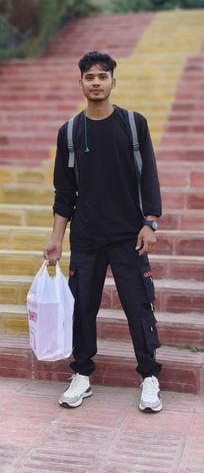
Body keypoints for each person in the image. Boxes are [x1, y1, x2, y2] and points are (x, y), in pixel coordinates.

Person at [43, 51, 162, 413]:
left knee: (139, 307)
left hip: (129, 235)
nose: (96, 82)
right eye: (89, 76)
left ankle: (149, 376)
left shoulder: (132, 124)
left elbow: (149, 176)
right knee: (82, 309)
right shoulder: (71, 132)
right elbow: (64, 194)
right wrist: (55, 238)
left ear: (113, 81)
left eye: (102, 76)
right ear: (79, 83)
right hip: (87, 237)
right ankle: (81, 373)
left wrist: (150, 222)